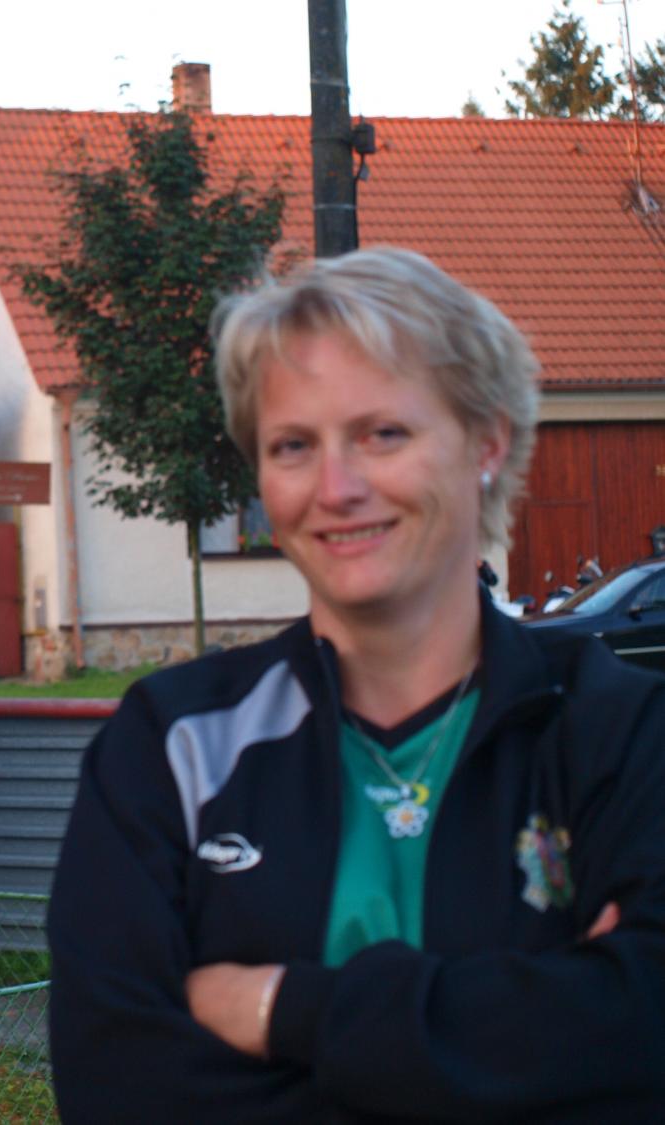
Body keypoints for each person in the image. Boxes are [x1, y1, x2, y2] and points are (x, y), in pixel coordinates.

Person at [47, 247, 665, 1122]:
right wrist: (542, 1024)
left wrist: (285, 1010)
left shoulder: (622, 736)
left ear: (487, 441)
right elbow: (116, 1085)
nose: (336, 488)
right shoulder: (169, 745)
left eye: (384, 434)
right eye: (293, 446)